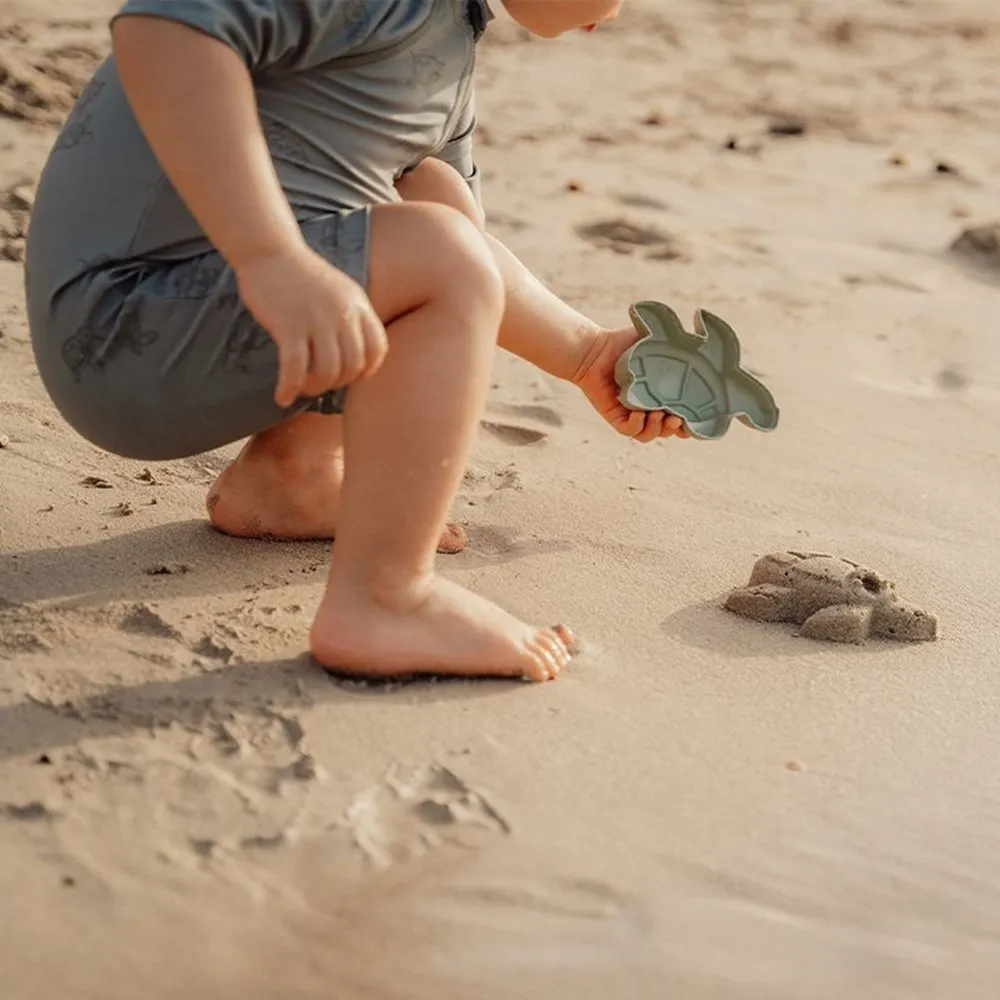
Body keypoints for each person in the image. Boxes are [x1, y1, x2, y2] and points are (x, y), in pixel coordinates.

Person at [25, 0, 688, 683]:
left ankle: (291, 477)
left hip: (189, 323)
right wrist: (271, 255)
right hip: (118, 328)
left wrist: (585, 353)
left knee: (433, 196)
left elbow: (461, 253)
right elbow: (161, 28)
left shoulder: (447, 40)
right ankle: (384, 598)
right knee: (442, 252)